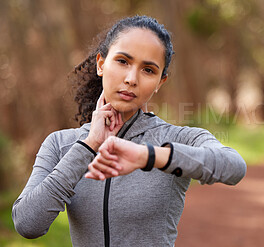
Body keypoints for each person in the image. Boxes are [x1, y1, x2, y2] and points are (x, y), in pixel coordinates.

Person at [12, 15, 246, 247]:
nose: (131, 79)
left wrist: (150, 156)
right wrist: (88, 146)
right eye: (123, 61)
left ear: (159, 83)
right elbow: (27, 224)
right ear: (101, 64)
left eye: (148, 70)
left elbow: (234, 167)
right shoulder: (60, 144)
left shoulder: (176, 138)